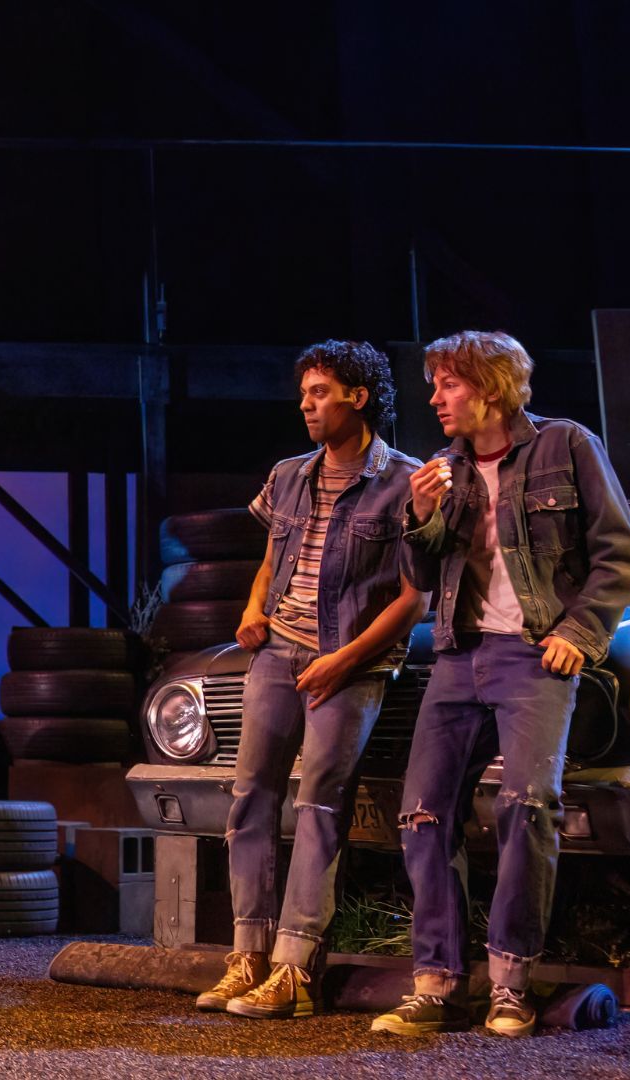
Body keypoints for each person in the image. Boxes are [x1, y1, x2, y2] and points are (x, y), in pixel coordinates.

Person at [373, 330, 630, 1038]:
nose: (434, 398)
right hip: (459, 656)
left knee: (527, 808)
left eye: (447, 384)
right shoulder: (443, 470)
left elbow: (618, 557)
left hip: (533, 655)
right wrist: (422, 520)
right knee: (423, 813)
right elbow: (425, 579)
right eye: (434, 385)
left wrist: (577, 636)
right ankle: (436, 983)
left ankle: (511, 984)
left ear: (490, 386)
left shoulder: (567, 446)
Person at [194, 341, 428, 1020]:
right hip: (278, 654)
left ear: (359, 397)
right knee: (250, 798)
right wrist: (251, 607)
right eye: (304, 394)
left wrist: (346, 658)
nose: (307, 405)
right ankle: (248, 954)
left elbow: (414, 598)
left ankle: (295, 968)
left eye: (321, 392)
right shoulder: (290, 474)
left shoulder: (403, 482)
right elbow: (274, 555)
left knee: (319, 805)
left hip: (348, 666)